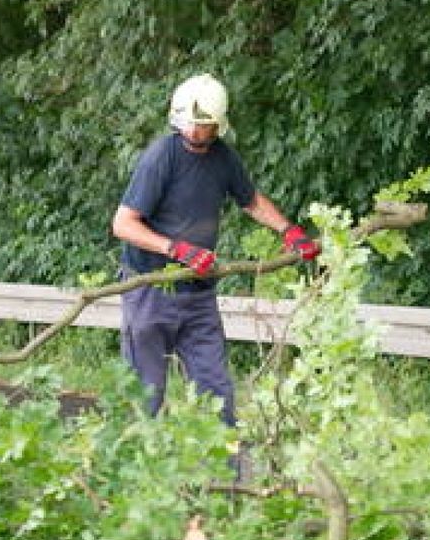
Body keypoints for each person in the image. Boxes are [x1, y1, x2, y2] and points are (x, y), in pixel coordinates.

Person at [111, 73, 320, 426]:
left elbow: (251, 201)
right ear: (178, 116)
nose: (196, 131)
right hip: (150, 292)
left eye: (204, 125)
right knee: (143, 400)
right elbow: (123, 224)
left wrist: (290, 231)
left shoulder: (224, 158)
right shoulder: (161, 156)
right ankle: (132, 474)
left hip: (198, 296)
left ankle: (226, 478)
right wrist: (177, 249)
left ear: (218, 125)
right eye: (191, 123)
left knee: (218, 398)